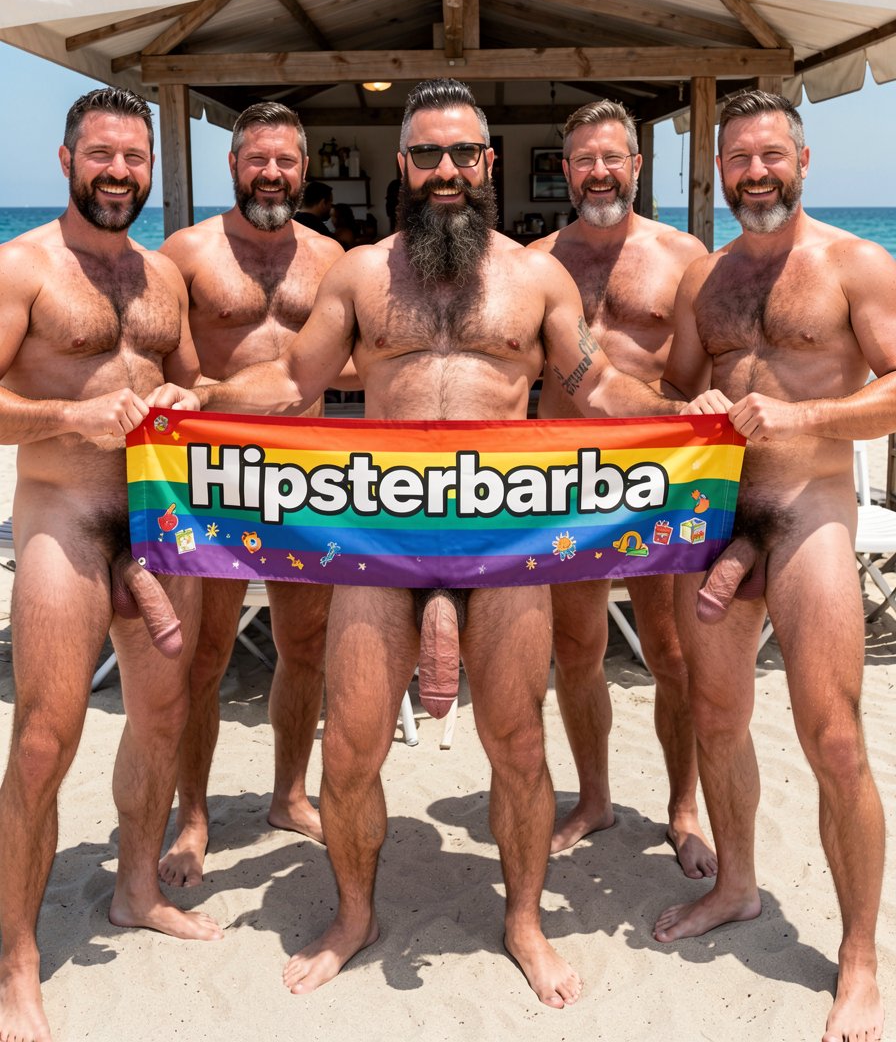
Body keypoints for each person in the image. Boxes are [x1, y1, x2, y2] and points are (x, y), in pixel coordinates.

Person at [151, 78, 722, 1009]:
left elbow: (595, 385)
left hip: (506, 536)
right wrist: (201, 400)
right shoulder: (362, 273)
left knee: (516, 743)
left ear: (489, 163)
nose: (447, 170)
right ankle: (353, 914)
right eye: (427, 155)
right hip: (379, 534)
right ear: (405, 167)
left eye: (463, 154)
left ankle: (525, 921)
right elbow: (293, 382)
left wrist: (684, 417)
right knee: (354, 750)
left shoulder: (533, 278)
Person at [653, 89, 888, 1042]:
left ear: (801, 160)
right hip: (715, 520)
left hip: (808, 512)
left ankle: (861, 957)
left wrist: (801, 420)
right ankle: (740, 885)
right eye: (737, 159)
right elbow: (672, 387)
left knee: (833, 741)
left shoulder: (853, 262)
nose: (755, 173)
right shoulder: (703, 282)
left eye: (769, 156)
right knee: (715, 718)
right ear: (717, 172)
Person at [0, 87, 222, 1042]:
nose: (121, 173)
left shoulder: (163, 278)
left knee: (163, 718)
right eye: (102, 155)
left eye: (135, 158)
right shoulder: (21, 268)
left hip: (160, 529)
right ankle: (15, 958)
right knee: (46, 740)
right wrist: (70, 419)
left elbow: (187, 382)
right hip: (65, 520)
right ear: (65, 160)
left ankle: (136, 889)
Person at [157, 102, 345, 887]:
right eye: (258, 159)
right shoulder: (187, 253)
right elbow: (166, 374)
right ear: (234, 166)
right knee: (204, 655)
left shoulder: (334, 256)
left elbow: (354, 360)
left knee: (304, 648)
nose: (273, 174)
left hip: (307, 475)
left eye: (287, 161)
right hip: (212, 478)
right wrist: (240, 396)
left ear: (305, 170)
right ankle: (193, 815)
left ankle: (289, 793)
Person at [532, 100, 716, 877]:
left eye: (614, 157)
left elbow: (706, 369)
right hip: (564, 478)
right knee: (577, 651)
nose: (599, 171)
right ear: (565, 169)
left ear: (637, 167)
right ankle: (595, 796)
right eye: (583, 159)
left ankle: (682, 806)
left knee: (673, 655)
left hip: (662, 476)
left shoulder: (684, 255)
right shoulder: (536, 260)